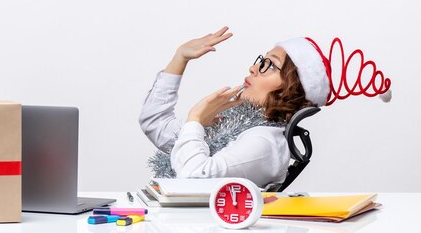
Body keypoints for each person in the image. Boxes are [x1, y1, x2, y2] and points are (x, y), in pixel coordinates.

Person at [139, 26, 391, 188]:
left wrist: (195, 119)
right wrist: (180, 58)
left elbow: (192, 179)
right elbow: (156, 124)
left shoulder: (264, 142)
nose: (253, 68)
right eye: (261, 60)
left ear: (291, 88)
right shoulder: (238, 125)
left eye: (269, 65)